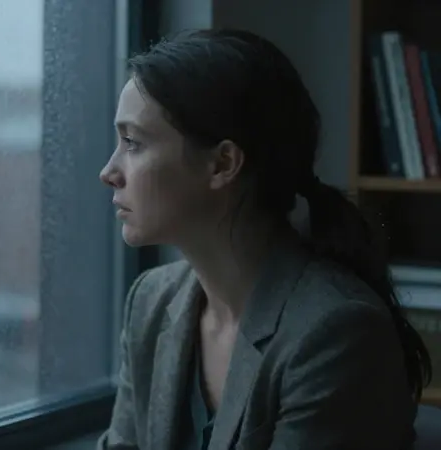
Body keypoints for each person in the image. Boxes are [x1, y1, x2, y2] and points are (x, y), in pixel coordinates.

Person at [97, 29, 431, 450]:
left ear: (222, 163)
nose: (109, 171)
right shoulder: (150, 301)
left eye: (132, 142)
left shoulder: (335, 333)